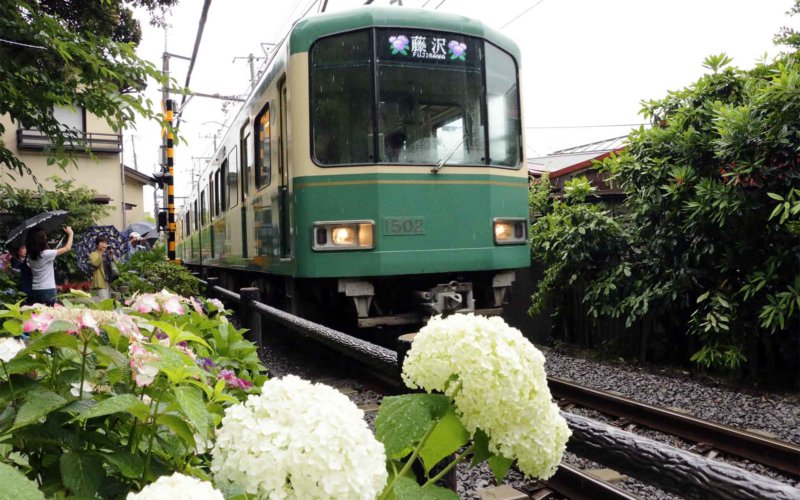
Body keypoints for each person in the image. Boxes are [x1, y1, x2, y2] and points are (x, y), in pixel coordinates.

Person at [25, 225, 73, 306]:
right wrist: (71, 234)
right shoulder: (46, 254)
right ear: (40, 240)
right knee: (50, 314)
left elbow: (43, 251)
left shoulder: (30, 256)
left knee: (40, 314)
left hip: (36, 289)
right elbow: (67, 248)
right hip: (48, 290)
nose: (46, 237)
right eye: (44, 237)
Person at [89, 236, 113, 300]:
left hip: (110, 281)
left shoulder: (107, 254)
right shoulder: (93, 254)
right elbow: (95, 264)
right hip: (101, 282)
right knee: (103, 301)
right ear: (97, 244)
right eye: (102, 242)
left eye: (105, 243)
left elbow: (115, 265)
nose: (104, 244)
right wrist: (101, 253)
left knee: (110, 302)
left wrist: (112, 255)